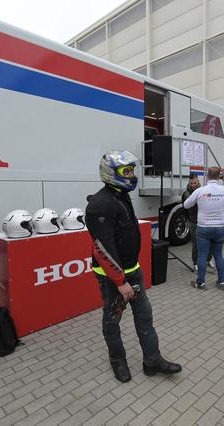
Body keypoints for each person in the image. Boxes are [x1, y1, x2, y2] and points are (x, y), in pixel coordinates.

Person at [85, 150, 182, 383]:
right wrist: (120, 282)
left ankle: (152, 361)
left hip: (133, 272)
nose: (131, 175)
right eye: (125, 171)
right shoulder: (100, 204)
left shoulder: (121, 194)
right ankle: (117, 360)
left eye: (131, 171)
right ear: (110, 172)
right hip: (113, 279)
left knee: (145, 317)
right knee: (112, 321)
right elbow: (103, 248)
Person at [183, 167, 224, 290]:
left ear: (207, 176)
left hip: (203, 228)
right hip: (219, 228)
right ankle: (222, 282)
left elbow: (186, 205)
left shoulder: (200, 191)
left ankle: (201, 283)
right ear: (218, 177)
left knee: (202, 255)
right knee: (218, 255)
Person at [181, 173, 212, 272]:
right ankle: (195, 263)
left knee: (209, 242)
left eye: (195, 183)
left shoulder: (203, 190)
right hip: (194, 221)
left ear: (198, 181)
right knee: (196, 243)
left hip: (205, 221)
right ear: (189, 182)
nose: (193, 185)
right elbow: (186, 207)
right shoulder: (186, 193)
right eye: (191, 183)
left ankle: (207, 260)